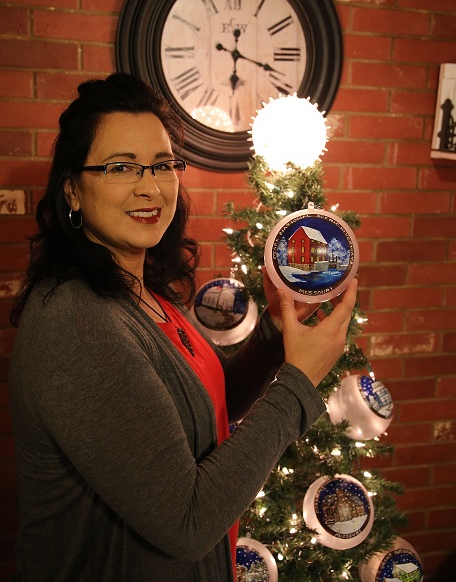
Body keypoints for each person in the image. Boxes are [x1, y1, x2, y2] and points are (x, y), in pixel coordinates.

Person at [9, 73, 357, 582]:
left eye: (162, 164)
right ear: (72, 191)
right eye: (121, 167)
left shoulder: (140, 292)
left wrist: (273, 333)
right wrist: (299, 384)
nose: (149, 187)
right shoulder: (75, 322)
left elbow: (207, 407)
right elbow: (187, 522)